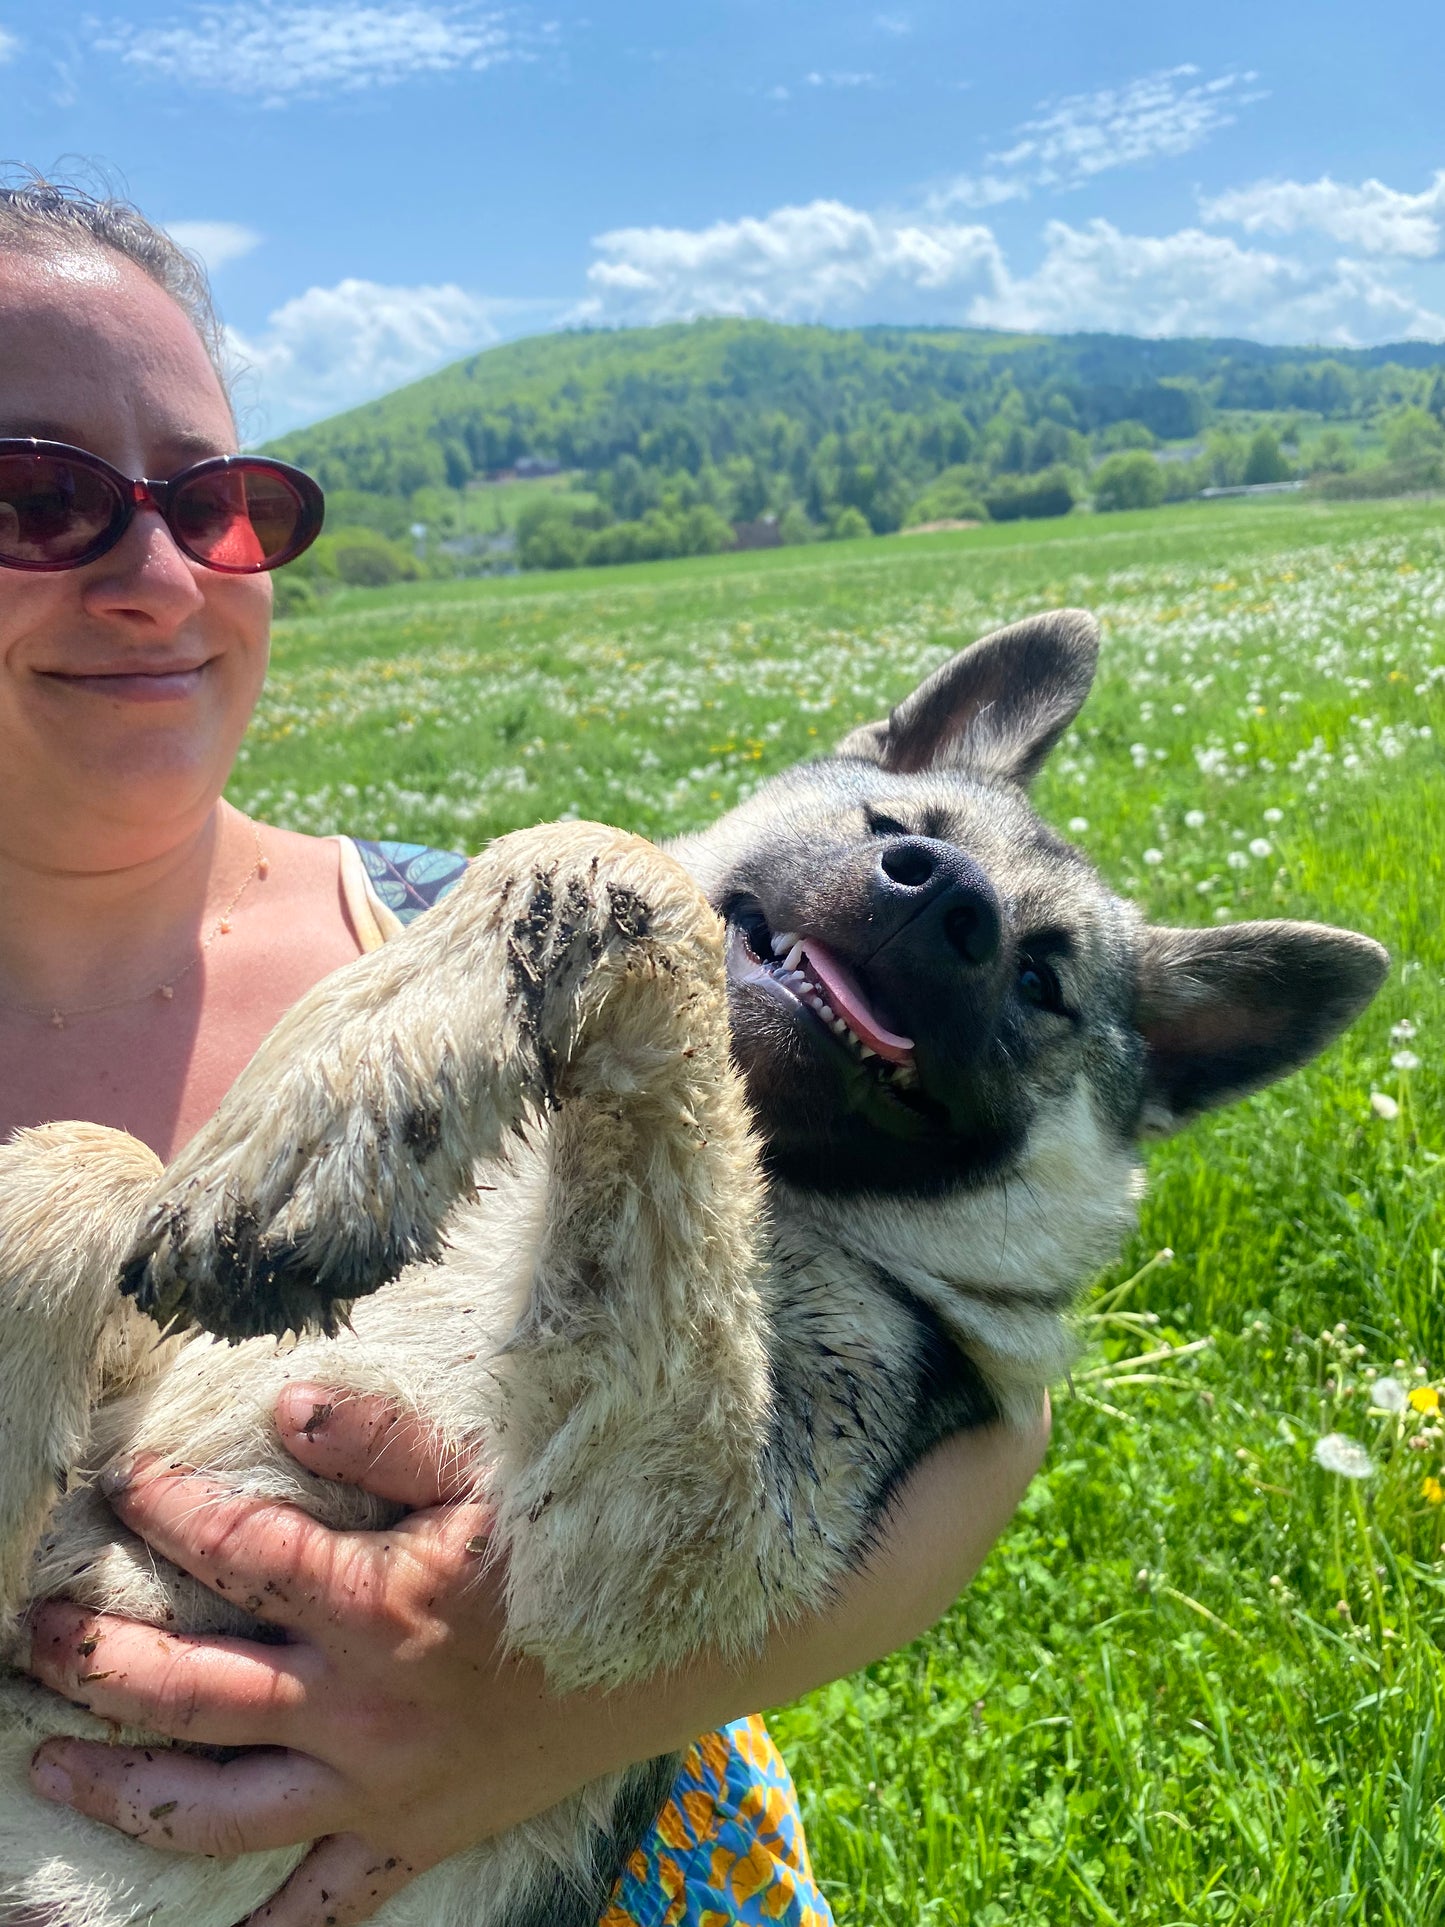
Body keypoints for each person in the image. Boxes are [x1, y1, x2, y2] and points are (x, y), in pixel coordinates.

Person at [0, 176, 1051, 1927]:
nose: (162, 578)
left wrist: (542, 1711)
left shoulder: (473, 951)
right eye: (39, 498)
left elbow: (976, 1423)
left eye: (222, 503)